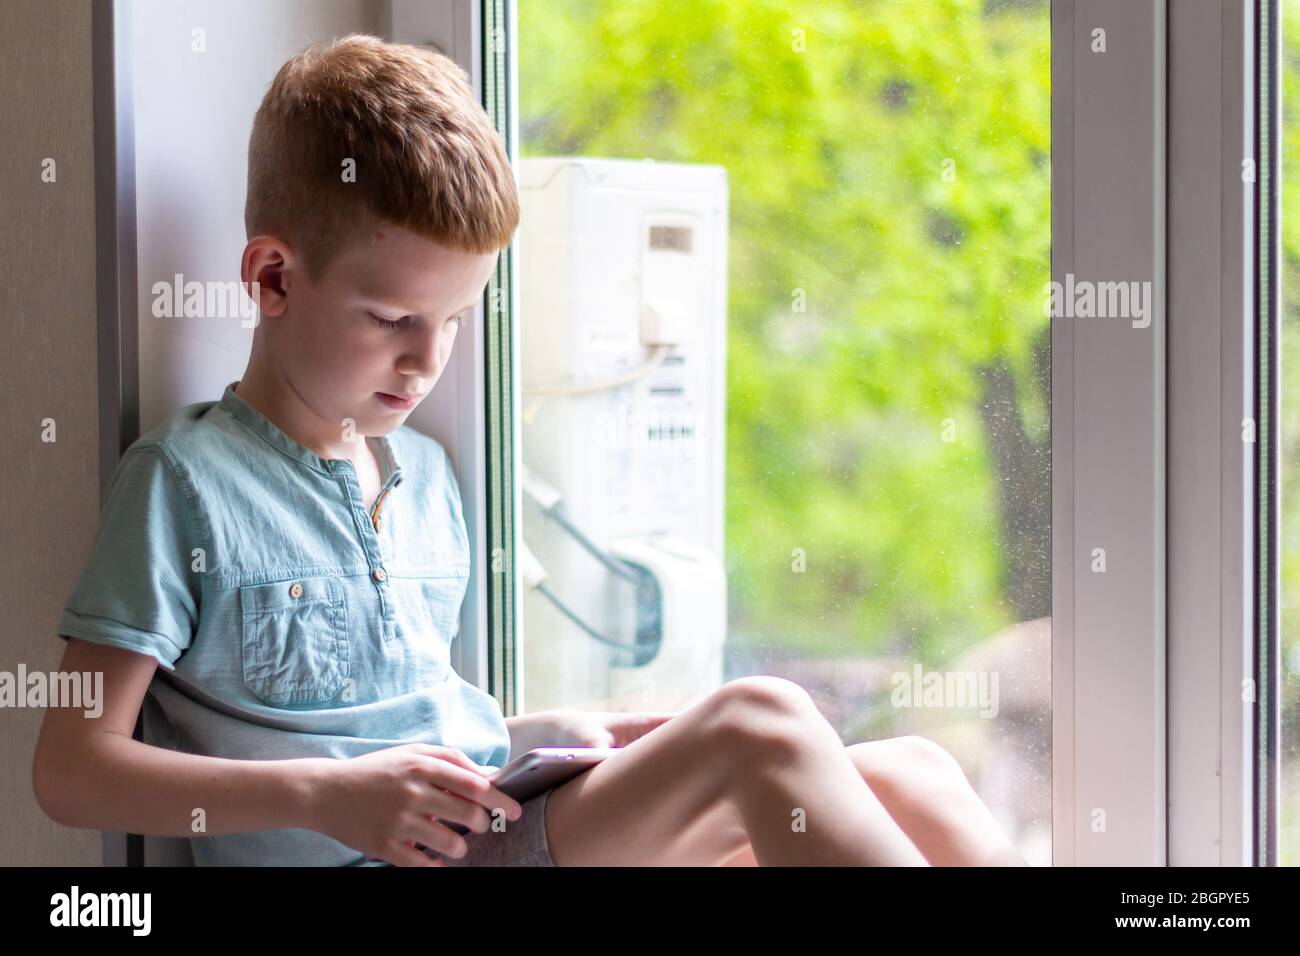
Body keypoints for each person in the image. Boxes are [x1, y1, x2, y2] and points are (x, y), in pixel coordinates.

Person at [32, 34, 1025, 867]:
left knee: (915, 775)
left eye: (455, 319)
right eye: (391, 318)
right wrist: (330, 795)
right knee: (758, 725)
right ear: (274, 278)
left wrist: (540, 735)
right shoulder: (184, 483)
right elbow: (71, 770)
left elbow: (409, 729)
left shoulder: (428, 483)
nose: (425, 358)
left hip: (491, 821)